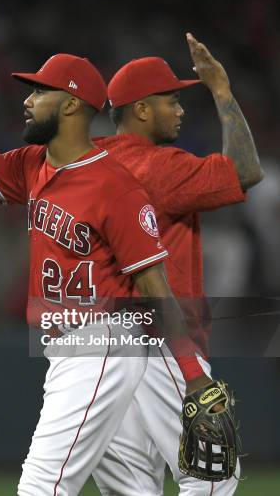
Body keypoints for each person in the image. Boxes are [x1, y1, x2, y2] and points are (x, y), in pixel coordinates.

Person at [0, 18, 210, 495]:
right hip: (66, 348)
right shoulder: (33, 166)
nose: (26, 99)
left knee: (41, 485)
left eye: (37, 91)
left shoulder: (116, 187)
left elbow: (155, 288)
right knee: (130, 491)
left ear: (70, 104)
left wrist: (193, 379)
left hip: (104, 343)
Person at [91, 34, 262, 495]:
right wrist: (222, 91)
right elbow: (246, 170)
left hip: (94, 350)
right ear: (141, 110)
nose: (181, 109)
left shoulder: (89, 161)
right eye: (171, 100)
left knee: (131, 489)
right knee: (214, 475)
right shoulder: (158, 167)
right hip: (155, 340)